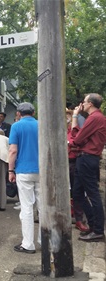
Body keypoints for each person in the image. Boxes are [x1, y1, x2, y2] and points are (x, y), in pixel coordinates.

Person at [70, 93, 106, 242]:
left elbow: (77, 139)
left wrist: (74, 118)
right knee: (78, 194)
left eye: (84, 102)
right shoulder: (97, 118)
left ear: (90, 103)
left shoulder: (95, 118)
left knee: (93, 194)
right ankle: (93, 225)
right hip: (85, 157)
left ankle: (98, 230)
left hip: (87, 157)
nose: (82, 104)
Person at [8, 102, 40, 254]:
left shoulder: (16, 126)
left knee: (27, 207)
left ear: (19, 113)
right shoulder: (41, 125)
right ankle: (45, 240)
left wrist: (10, 170)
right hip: (42, 169)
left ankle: (28, 243)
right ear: (33, 112)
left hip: (23, 169)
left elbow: (13, 150)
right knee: (43, 207)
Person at [66, 109, 89, 232]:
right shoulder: (64, 130)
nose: (67, 119)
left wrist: (69, 144)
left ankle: (79, 218)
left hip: (75, 161)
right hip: (64, 163)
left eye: (69, 116)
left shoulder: (78, 130)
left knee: (77, 191)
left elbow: (78, 143)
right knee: (67, 190)